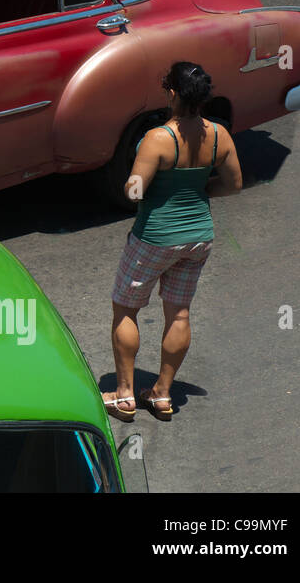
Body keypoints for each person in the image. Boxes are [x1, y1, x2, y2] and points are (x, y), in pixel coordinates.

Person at [103, 61, 242, 421]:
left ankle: (124, 396)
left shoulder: (158, 139)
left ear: (172, 93)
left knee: (126, 308)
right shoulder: (219, 135)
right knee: (178, 312)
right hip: (198, 237)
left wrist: (133, 184)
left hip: (154, 238)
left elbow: (135, 191)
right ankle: (162, 395)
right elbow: (233, 184)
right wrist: (199, 189)